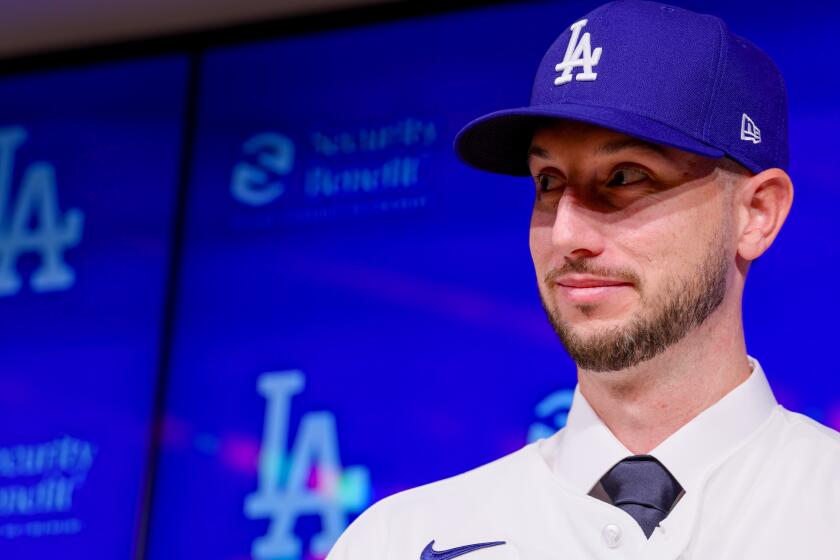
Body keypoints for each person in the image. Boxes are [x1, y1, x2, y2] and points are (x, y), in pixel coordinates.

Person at [327, 1, 840, 558]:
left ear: (756, 213)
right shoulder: (398, 539)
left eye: (624, 177)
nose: (566, 233)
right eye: (547, 182)